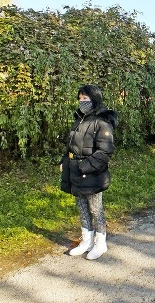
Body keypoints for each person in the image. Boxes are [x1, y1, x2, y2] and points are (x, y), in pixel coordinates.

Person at [60, 85, 118, 260]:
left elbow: (105, 152)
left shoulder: (102, 123)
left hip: (92, 174)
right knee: (82, 207)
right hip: (75, 170)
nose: (81, 102)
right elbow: (71, 146)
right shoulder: (79, 119)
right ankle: (86, 241)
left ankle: (100, 244)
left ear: (95, 99)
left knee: (95, 208)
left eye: (85, 99)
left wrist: (84, 166)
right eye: (80, 99)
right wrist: (64, 162)